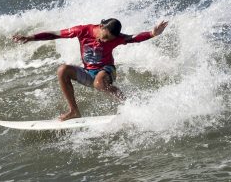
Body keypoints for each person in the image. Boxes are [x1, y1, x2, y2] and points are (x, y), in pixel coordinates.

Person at [13, 18, 168, 121]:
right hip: (88, 72)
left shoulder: (117, 38)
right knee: (62, 70)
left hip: (107, 70)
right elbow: (55, 34)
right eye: (104, 36)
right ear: (101, 27)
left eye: (109, 40)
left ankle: (130, 107)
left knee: (99, 82)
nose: (104, 40)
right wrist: (31, 37)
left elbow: (134, 38)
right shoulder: (83, 30)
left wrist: (152, 33)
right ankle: (74, 111)